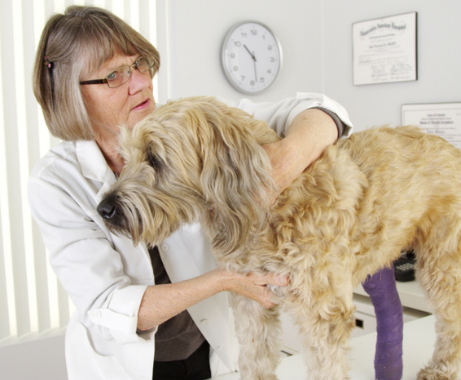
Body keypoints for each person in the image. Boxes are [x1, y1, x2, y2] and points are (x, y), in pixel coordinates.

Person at [28, 5, 357, 380]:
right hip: (128, 366)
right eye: (114, 75)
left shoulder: (192, 127)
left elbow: (324, 111)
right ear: (72, 94)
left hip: (212, 352)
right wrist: (227, 280)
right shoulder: (55, 183)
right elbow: (109, 303)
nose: (140, 83)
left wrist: (281, 164)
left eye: (139, 64)